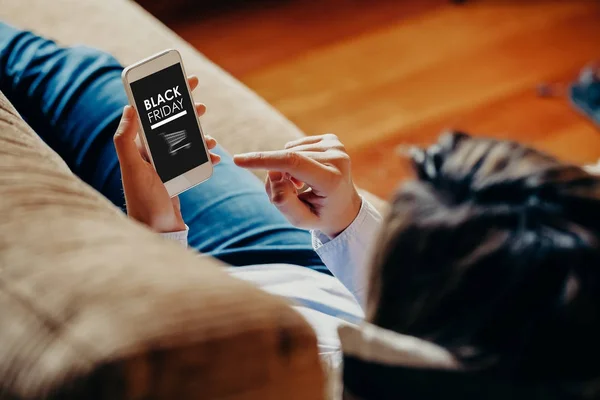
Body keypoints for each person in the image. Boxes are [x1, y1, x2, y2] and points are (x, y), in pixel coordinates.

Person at [3, 22, 600, 395]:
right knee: (80, 80)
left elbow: (199, 360)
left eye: (396, 236)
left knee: (65, 81)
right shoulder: (550, 318)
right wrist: (345, 220)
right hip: (297, 265)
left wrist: (156, 224)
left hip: (215, 288)